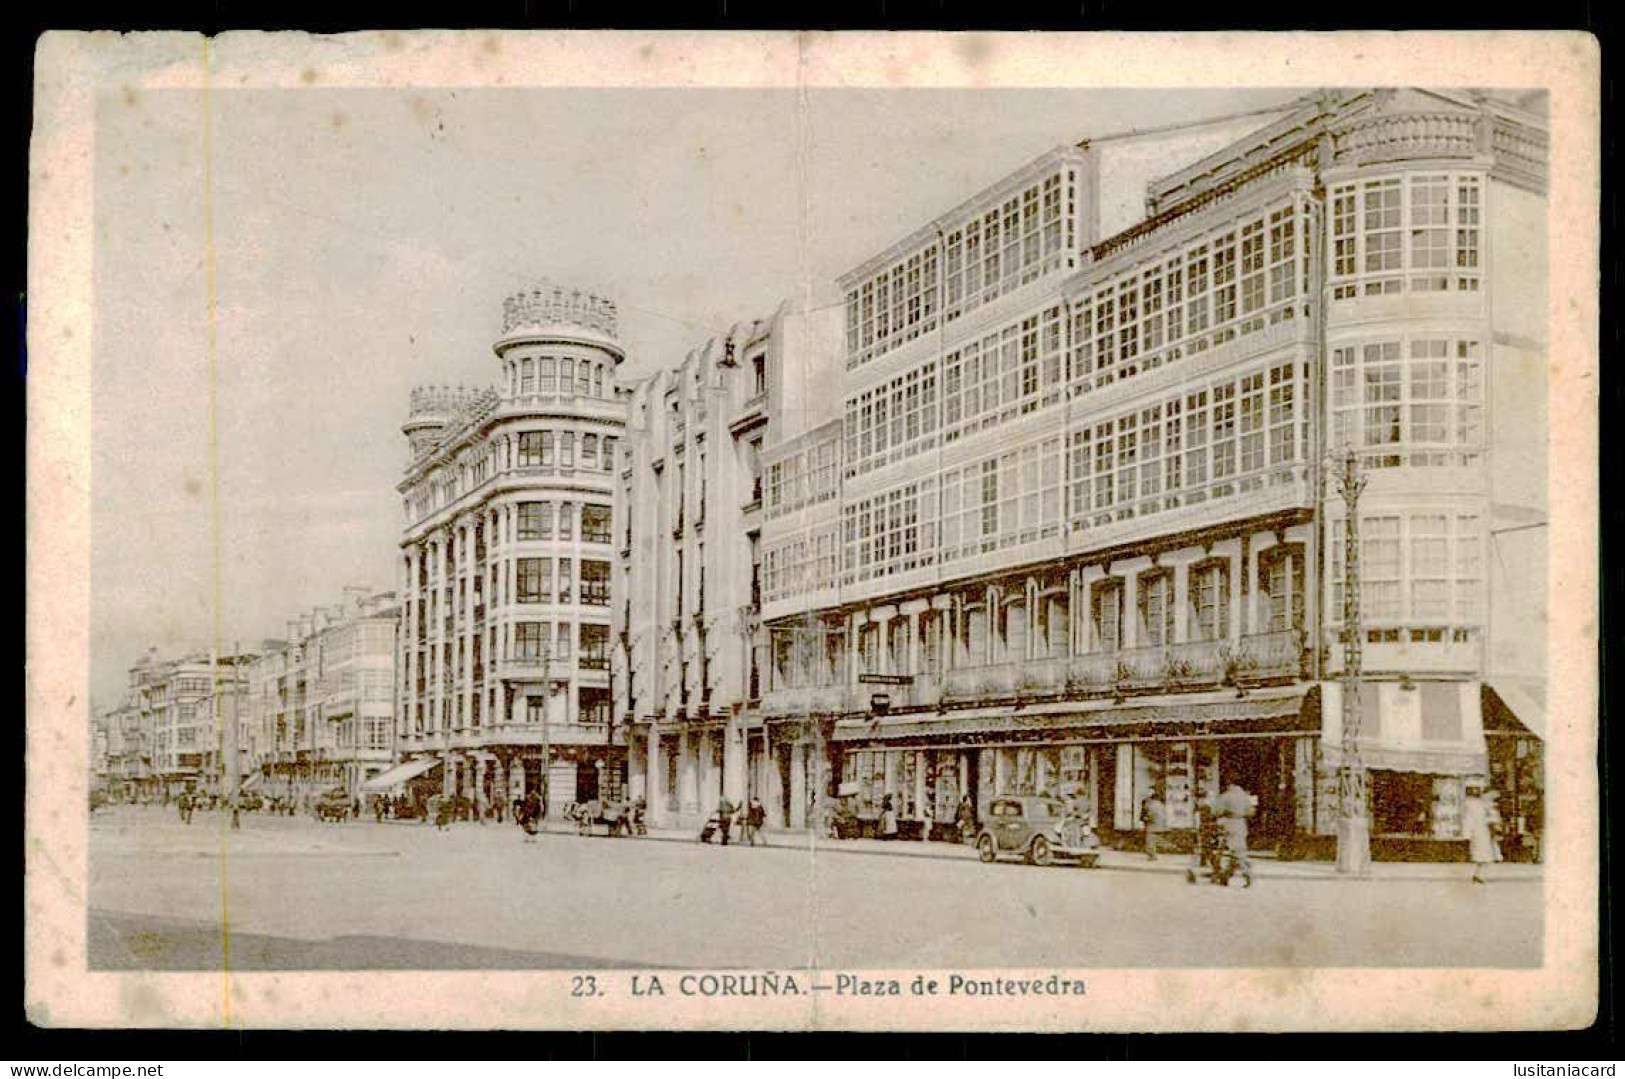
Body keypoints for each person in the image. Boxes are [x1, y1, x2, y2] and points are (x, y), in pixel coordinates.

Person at [1213, 781, 1256, 887]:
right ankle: (1225, 876)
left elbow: (1217, 811)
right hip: (1241, 824)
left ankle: (1247, 874)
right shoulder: (1245, 797)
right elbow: (1251, 812)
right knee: (1236, 851)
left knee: (1237, 853)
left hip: (1229, 824)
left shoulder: (1225, 796)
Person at [1463, 783, 1503, 884]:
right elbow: (1470, 819)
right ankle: (1478, 875)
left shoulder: (1486, 805)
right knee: (1482, 854)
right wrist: (1467, 833)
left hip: (1484, 832)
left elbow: (1493, 818)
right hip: (1479, 833)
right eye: (1492, 796)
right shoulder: (1476, 805)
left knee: (1483, 855)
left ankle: (1478, 875)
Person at [1140, 791, 1168, 861]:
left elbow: (1150, 816)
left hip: (1152, 826)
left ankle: (1152, 856)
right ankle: (1164, 847)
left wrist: (1145, 818)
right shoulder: (1162, 805)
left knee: (1150, 841)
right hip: (1161, 826)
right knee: (1156, 840)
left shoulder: (1150, 806)